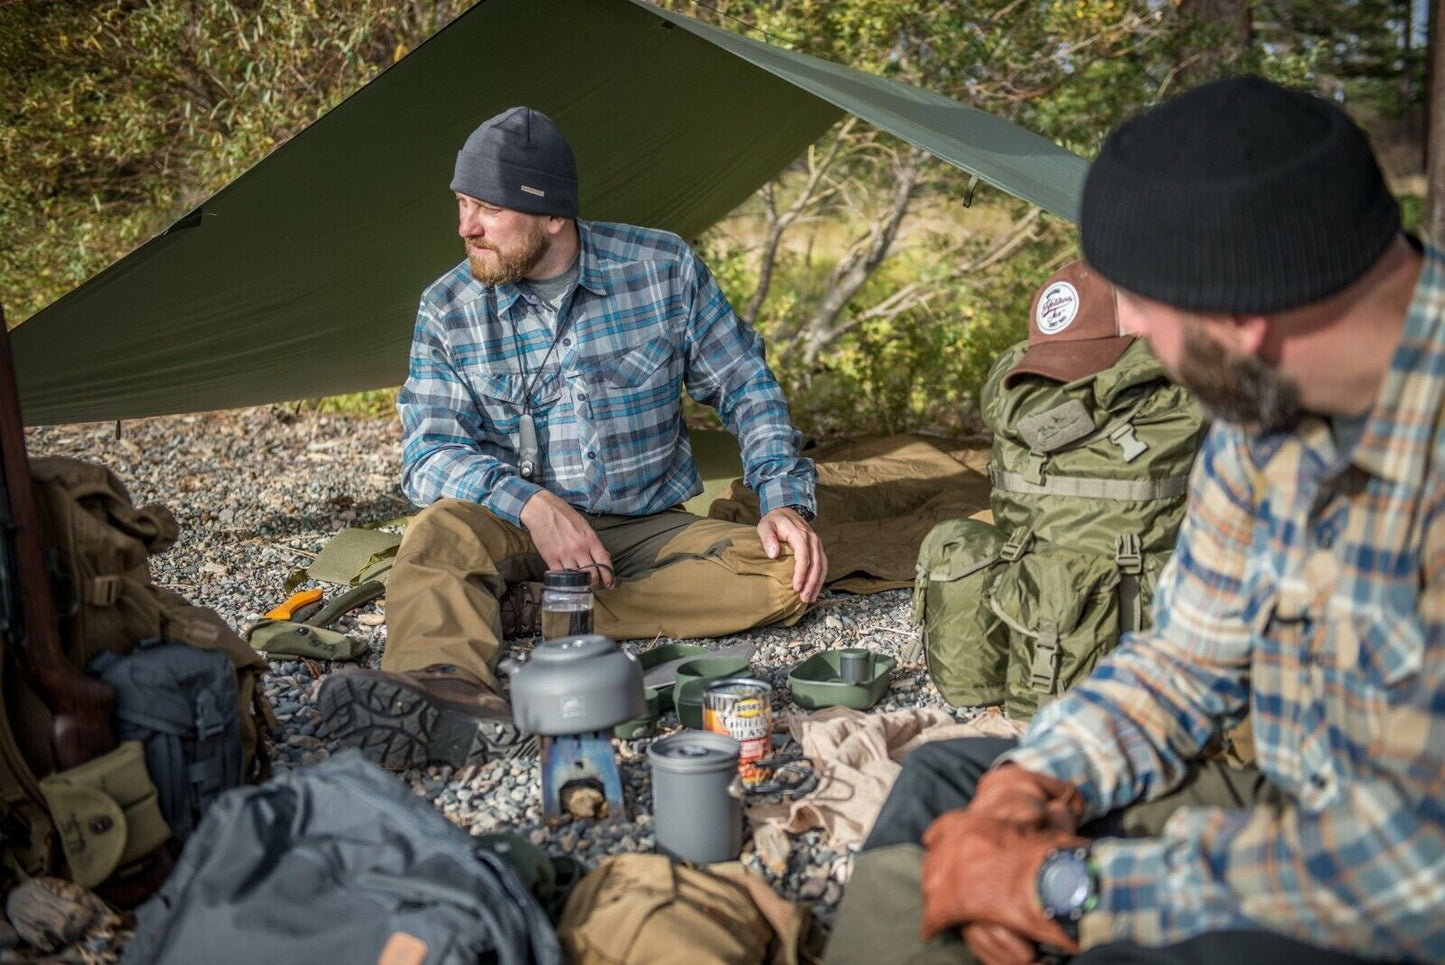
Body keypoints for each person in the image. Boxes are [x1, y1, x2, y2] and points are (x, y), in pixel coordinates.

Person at [825, 76, 1443, 965]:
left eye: (1145, 306)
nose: (1139, 336)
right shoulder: (1260, 414)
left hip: (1399, 877)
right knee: (953, 783)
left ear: (1244, 313)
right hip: (1306, 802)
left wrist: (1067, 889)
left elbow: (1411, 873)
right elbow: (1187, 656)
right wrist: (1038, 780)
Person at [319, 107, 826, 770]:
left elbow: (745, 386)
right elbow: (427, 451)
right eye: (462, 203)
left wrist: (781, 497)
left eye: (487, 209)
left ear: (552, 214)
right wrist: (530, 503)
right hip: (510, 526)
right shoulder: (447, 308)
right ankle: (439, 687)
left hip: (642, 527)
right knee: (436, 535)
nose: (464, 227)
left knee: (789, 573)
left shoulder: (661, 268)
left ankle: (542, 612)